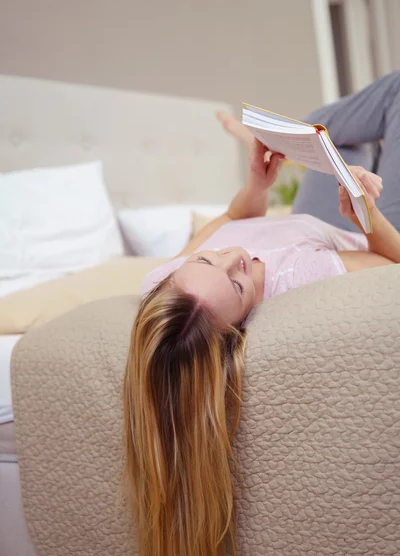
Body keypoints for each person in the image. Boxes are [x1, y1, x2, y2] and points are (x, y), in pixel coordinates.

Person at [123, 72, 400, 556]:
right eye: (239, 283)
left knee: (316, 131)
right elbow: (394, 261)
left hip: (299, 222)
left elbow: (229, 223)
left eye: (207, 260)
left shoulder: (164, 289)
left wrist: (257, 185)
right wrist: (366, 214)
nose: (236, 256)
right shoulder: (302, 276)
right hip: (350, 226)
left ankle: (271, 143)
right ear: (237, 326)